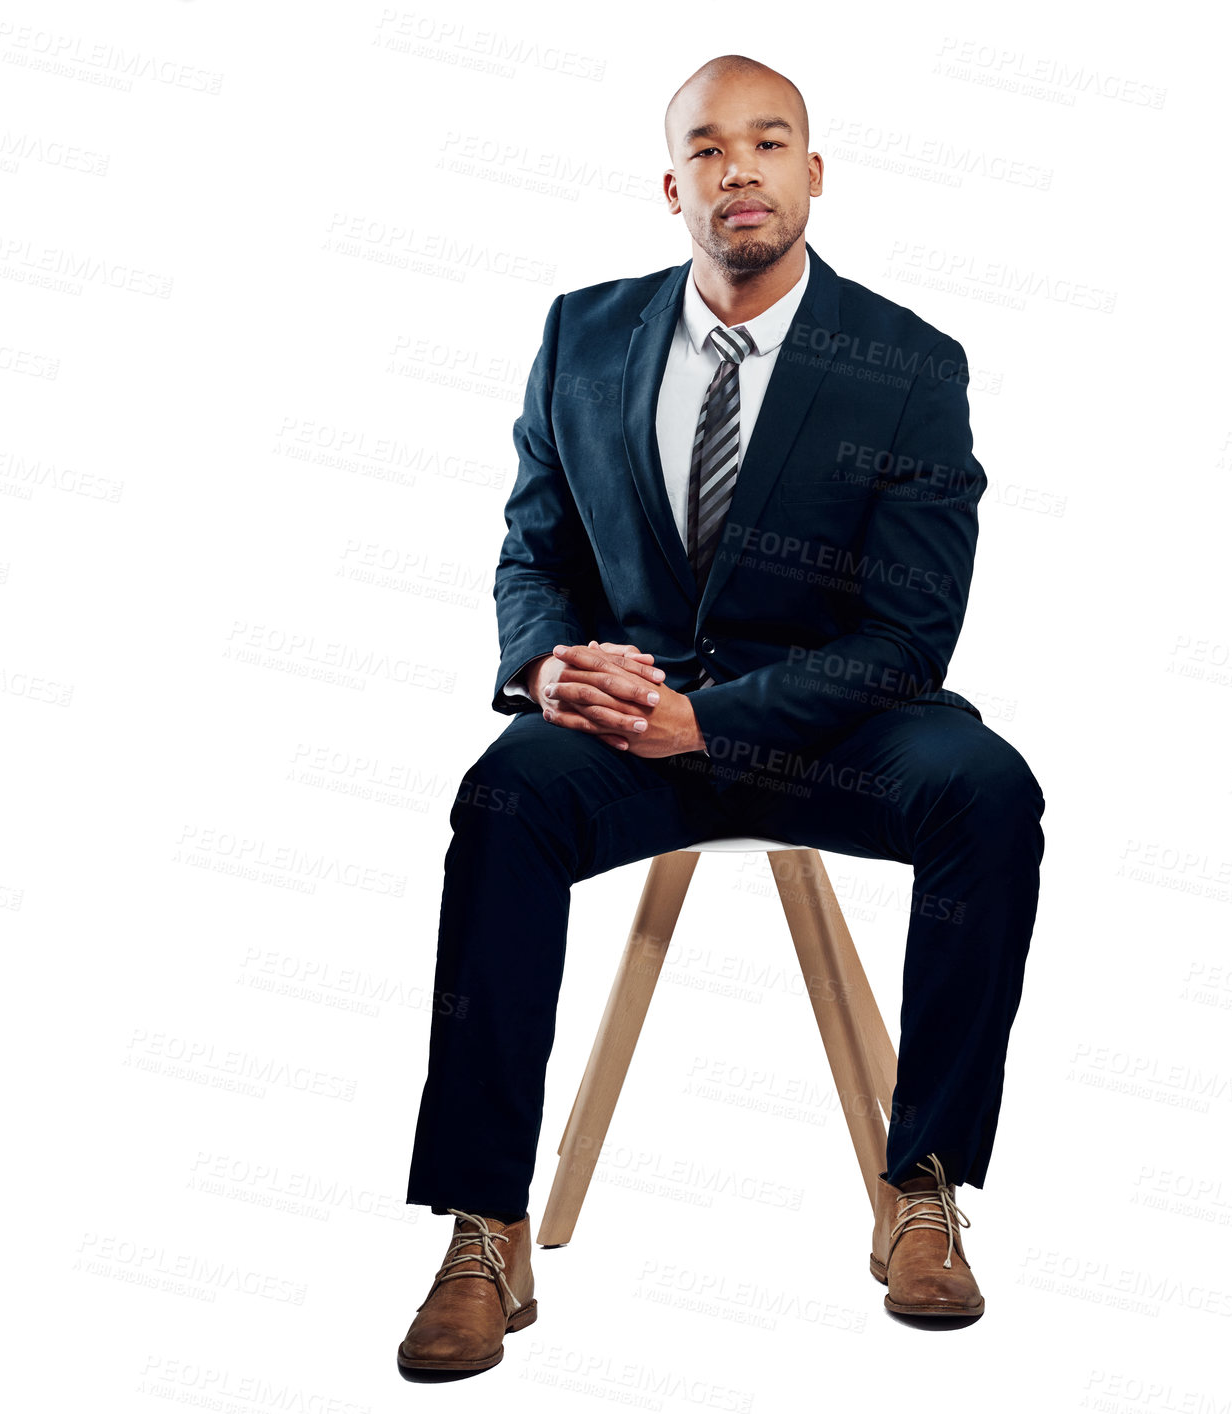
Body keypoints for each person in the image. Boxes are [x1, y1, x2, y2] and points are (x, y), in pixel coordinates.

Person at [398, 53, 1045, 1375]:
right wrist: (546, 671)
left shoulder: (907, 363)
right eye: (706, 147)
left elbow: (909, 634)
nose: (736, 167)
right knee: (502, 795)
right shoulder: (582, 331)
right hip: (630, 720)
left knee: (987, 790)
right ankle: (482, 1227)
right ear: (671, 184)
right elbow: (536, 552)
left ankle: (922, 1184)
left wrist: (721, 723)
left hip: (835, 732)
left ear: (812, 173)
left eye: (767, 141)